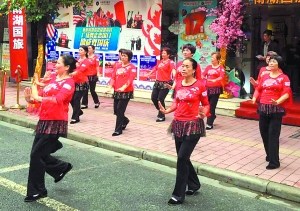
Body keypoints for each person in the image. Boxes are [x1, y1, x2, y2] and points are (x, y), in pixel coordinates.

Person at [23, 54, 76, 202]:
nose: (55, 64)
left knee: (36, 155)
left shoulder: (69, 83)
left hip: (55, 122)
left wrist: (38, 98)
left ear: (66, 67)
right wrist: (31, 99)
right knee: (39, 154)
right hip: (44, 120)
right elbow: (41, 97)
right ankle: (60, 168)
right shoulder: (53, 79)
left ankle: (37, 191)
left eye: (58, 63)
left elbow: (58, 100)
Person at [158, 58, 210, 205]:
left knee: (181, 158)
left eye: (187, 67)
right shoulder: (179, 83)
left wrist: (203, 114)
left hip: (193, 126)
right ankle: (194, 184)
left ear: (194, 70)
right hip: (178, 124)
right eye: (182, 66)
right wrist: (167, 110)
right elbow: (177, 101)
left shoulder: (200, 85)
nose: (183, 69)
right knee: (183, 158)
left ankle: (178, 195)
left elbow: (206, 105)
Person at [251, 55, 292, 170]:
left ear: (279, 64)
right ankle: (269, 154)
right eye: (270, 61)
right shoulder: (264, 76)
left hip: (276, 110)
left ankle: (274, 162)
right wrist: (254, 98)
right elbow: (258, 89)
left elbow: (286, 93)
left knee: (273, 135)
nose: (271, 63)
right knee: (264, 133)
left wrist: (278, 101)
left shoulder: (284, 78)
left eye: (274, 61)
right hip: (263, 108)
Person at [107, 49, 136, 136]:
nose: (123, 57)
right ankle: (125, 120)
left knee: (120, 110)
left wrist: (124, 87)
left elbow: (130, 79)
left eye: (125, 56)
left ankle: (118, 130)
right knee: (116, 110)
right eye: (122, 55)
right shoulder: (117, 65)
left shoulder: (132, 67)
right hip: (117, 90)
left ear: (129, 58)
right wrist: (110, 86)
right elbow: (113, 77)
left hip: (126, 91)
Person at [147, 47, 176, 122]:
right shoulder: (160, 61)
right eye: (162, 53)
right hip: (158, 82)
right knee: (153, 97)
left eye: (164, 53)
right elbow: (155, 68)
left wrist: (175, 76)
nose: (162, 54)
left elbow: (173, 70)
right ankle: (162, 110)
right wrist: (149, 73)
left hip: (166, 83)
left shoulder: (171, 62)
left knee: (160, 99)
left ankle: (161, 116)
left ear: (168, 55)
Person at [202, 52, 225, 130]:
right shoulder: (208, 67)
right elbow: (203, 75)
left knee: (212, 106)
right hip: (207, 89)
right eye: (211, 58)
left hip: (216, 89)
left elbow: (221, 77)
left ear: (218, 59)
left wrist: (215, 80)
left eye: (213, 58)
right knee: (207, 105)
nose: (211, 59)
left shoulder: (220, 67)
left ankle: (209, 123)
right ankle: (212, 116)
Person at [69, 45, 90, 124]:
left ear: (85, 52)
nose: (79, 51)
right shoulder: (78, 60)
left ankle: (75, 118)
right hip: (74, 82)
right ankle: (78, 111)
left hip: (82, 82)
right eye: (79, 50)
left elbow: (81, 70)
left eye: (81, 50)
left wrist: (73, 73)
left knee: (76, 99)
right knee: (71, 99)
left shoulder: (87, 61)